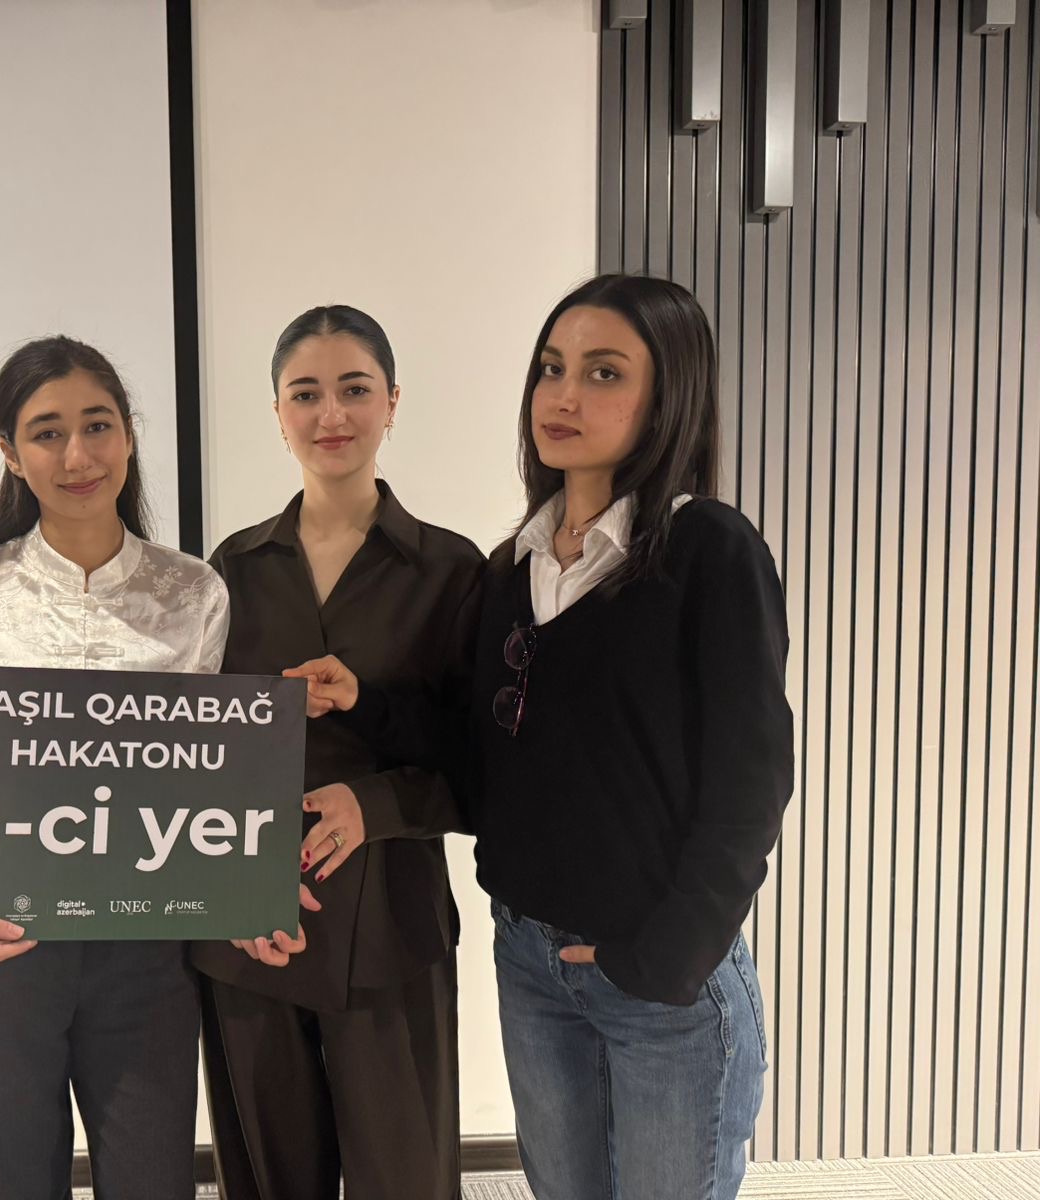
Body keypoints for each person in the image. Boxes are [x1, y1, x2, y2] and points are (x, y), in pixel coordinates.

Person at [298, 275, 793, 1200]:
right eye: (551, 370)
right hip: (529, 962)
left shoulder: (708, 551)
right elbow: (484, 754)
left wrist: (667, 958)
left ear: (668, 393)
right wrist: (364, 703)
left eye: (604, 373)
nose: (564, 397)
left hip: (660, 976)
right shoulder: (510, 568)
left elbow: (752, 783)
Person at [0, 335, 231, 1200]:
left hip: (145, 949)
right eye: (47, 433)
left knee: (152, 1181)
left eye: (98, 425)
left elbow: (209, 777)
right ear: (10, 452)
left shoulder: (195, 594)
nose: (78, 456)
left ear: (129, 435)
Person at [191, 306, 481, 1200]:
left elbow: (484, 760)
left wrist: (375, 805)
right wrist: (229, 888)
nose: (331, 415)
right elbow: (197, 756)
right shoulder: (229, 571)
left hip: (392, 918)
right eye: (305, 394)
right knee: (269, 1178)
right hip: (252, 928)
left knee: (406, 1177)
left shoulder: (453, 571)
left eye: (354, 389)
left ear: (392, 401)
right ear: (277, 414)